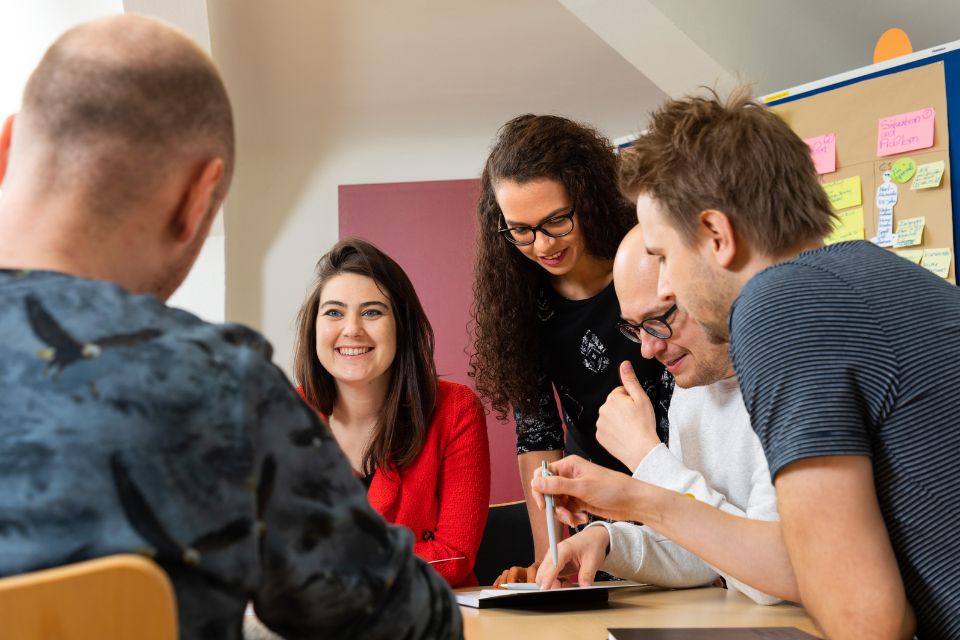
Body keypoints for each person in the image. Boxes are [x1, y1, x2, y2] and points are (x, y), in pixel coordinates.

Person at [0, 15, 460, 640]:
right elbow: (415, 627)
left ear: (5, 149)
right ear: (198, 199)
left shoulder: (446, 409)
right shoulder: (221, 387)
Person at [620, 88, 960, 639]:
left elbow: (866, 620)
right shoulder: (871, 273)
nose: (665, 284)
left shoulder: (780, 306)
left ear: (715, 235)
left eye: (661, 257)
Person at [532, 225, 796, 605]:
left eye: (659, 319)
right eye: (635, 328)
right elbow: (706, 552)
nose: (648, 349)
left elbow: (768, 579)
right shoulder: (693, 390)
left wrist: (646, 458)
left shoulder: (791, 380)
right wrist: (608, 542)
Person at [470, 114, 672, 584]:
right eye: (520, 230)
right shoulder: (521, 300)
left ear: (590, 198)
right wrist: (548, 558)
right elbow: (538, 436)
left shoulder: (646, 255)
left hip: (683, 486)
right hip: (598, 515)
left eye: (556, 221)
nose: (541, 245)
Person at [293, 238, 490, 587]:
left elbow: (453, 557)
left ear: (401, 325)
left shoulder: (456, 411)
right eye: (334, 312)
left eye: (372, 311)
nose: (351, 329)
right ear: (314, 328)